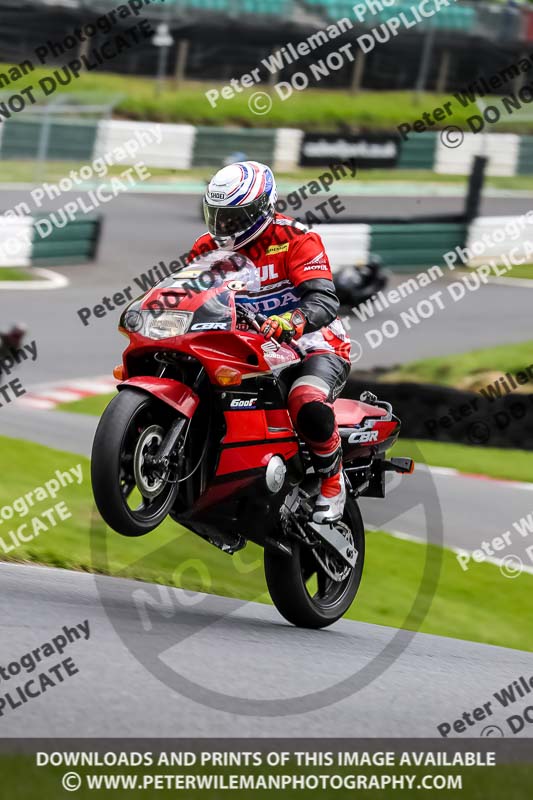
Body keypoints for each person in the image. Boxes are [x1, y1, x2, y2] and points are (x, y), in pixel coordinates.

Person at [188, 160, 351, 523]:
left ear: (263, 208)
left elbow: (325, 300)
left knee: (304, 401)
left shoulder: (297, 239)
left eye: (235, 217)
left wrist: (291, 321)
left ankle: (332, 483)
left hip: (314, 345)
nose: (224, 227)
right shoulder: (206, 249)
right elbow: (187, 296)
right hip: (249, 343)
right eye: (218, 216)